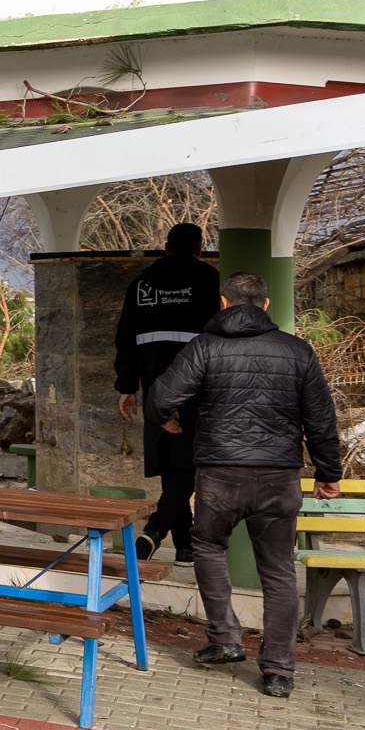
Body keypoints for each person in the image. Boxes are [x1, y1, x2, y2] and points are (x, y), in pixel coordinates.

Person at [151, 271, 342, 698]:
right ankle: (278, 672)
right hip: (280, 475)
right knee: (277, 570)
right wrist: (328, 473)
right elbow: (321, 419)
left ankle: (225, 638)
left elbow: (163, 397)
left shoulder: (205, 346)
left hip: (221, 472)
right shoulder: (297, 351)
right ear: (266, 305)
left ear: (223, 303)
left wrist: (168, 419)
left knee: (207, 546)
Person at [113, 223, 219, 564]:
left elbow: (125, 339)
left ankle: (180, 543)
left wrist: (128, 387)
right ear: (199, 248)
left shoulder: (141, 284)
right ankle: (163, 533)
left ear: (166, 247)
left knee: (173, 467)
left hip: (155, 388)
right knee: (186, 464)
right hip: (200, 388)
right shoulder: (209, 280)